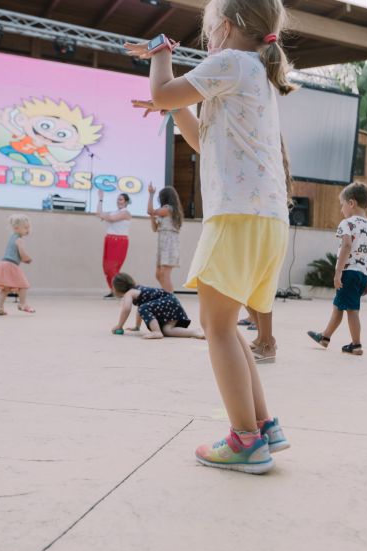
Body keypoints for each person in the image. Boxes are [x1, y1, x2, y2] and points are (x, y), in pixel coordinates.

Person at [125, 0, 294, 474]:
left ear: (223, 26)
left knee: (216, 329)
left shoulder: (230, 62)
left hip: (237, 218)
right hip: (265, 221)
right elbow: (200, 138)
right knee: (230, 327)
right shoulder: (254, 73)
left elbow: (161, 90)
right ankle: (263, 426)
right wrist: (171, 107)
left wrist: (160, 50)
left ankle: (244, 441)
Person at [307, 182, 367, 355]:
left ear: (351, 203)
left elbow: (346, 245)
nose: (341, 209)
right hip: (361, 274)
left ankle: (356, 344)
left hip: (349, 272)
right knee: (339, 307)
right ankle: (325, 337)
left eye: (342, 205)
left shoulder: (347, 223)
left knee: (352, 310)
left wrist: (338, 273)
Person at [111, 273, 204, 340]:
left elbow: (126, 309)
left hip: (166, 301)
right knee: (167, 330)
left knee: (143, 307)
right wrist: (137, 326)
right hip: (171, 302)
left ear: (117, 289)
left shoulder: (129, 293)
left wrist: (119, 326)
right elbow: (139, 310)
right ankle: (194, 332)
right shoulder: (137, 290)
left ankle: (157, 332)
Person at [0, 214, 34, 315]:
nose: (28, 230)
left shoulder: (12, 237)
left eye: (28, 227)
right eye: (26, 227)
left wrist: (22, 259)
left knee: (5, 289)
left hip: (3, 263)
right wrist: (27, 259)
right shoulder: (20, 240)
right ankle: (22, 304)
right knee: (24, 285)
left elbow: (14, 253)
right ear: (16, 228)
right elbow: (22, 253)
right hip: (10, 265)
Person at [147, 183, 183, 293]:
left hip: (169, 243)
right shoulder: (163, 212)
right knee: (158, 274)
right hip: (162, 244)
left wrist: (151, 194)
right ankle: (167, 294)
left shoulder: (169, 209)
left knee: (164, 273)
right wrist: (153, 217)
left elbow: (150, 210)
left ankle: (170, 299)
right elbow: (154, 228)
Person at [97, 189, 132, 297]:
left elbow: (111, 219)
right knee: (106, 268)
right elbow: (99, 213)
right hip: (109, 240)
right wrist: (101, 199)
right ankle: (114, 290)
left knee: (112, 268)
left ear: (126, 202)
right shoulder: (114, 212)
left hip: (119, 241)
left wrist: (104, 216)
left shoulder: (126, 213)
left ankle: (122, 290)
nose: (118, 201)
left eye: (121, 199)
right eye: (118, 199)